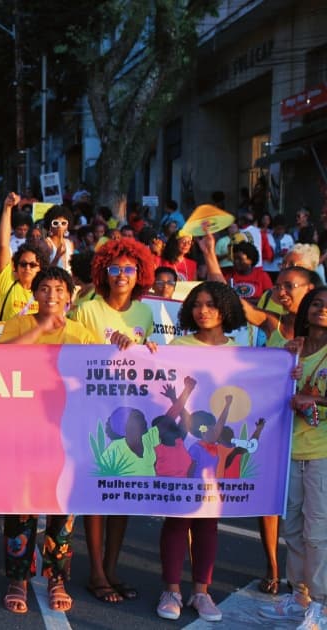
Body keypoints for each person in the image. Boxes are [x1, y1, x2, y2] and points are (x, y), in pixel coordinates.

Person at [0, 266, 100, 615]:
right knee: (21, 508)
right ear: (35, 294)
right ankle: (18, 578)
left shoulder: (83, 334)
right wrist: (40, 328)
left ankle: (57, 576)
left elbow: (105, 374)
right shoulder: (19, 324)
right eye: (45, 288)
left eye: (59, 289)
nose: (52, 295)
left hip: (68, 434)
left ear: (70, 298)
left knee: (63, 509)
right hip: (23, 430)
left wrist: (128, 346)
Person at [69, 237, 157, 605]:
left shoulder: (146, 314)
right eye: (114, 269)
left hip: (131, 409)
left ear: (140, 274)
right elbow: (72, 354)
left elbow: (150, 367)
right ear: (103, 272)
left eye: (129, 269)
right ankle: (96, 573)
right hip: (94, 410)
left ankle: (112, 566)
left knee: (124, 494)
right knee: (97, 491)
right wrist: (105, 349)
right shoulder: (88, 309)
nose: (122, 275)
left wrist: (150, 351)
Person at [155, 281, 247, 622]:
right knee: (177, 520)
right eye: (197, 304)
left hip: (213, 452)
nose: (203, 310)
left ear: (225, 309)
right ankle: (172, 590)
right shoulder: (179, 345)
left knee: (208, 522)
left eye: (211, 304)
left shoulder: (243, 348)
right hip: (186, 446)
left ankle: (201, 593)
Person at [261, 286, 327, 629]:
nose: (322, 309)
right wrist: (287, 362)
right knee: (294, 529)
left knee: (318, 532)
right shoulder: (293, 349)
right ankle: (299, 596)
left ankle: (322, 605)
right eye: (317, 303)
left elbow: (310, 399)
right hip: (289, 450)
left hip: (322, 453)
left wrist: (310, 400)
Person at [0, 193, 46, 321]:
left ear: (40, 268)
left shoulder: (45, 293)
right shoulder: (8, 283)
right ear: (16, 266)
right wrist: (7, 208)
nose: (27, 268)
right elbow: (3, 245)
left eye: (33, 265)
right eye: (23, 264)